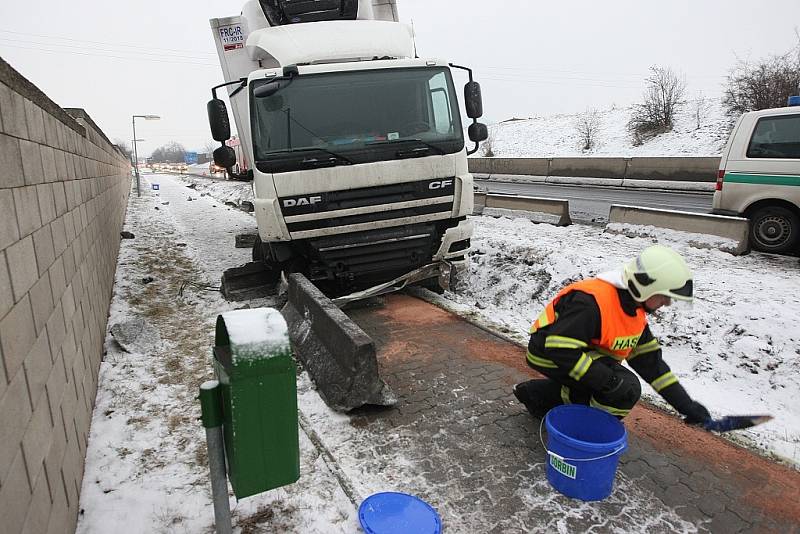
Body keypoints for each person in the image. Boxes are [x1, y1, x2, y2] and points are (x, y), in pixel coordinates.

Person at [513, 244, 710, 425]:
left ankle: (536, 395)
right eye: (665, 296)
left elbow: (652, 365)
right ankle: (586, 429)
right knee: (624, 389)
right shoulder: (591, 302)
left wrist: (686, 405)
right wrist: (608, 382)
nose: (667, 303)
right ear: (646, 286)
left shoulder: (635, 311)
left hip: (574, 353)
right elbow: (559, 348)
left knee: (610, 386)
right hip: (546, 353)